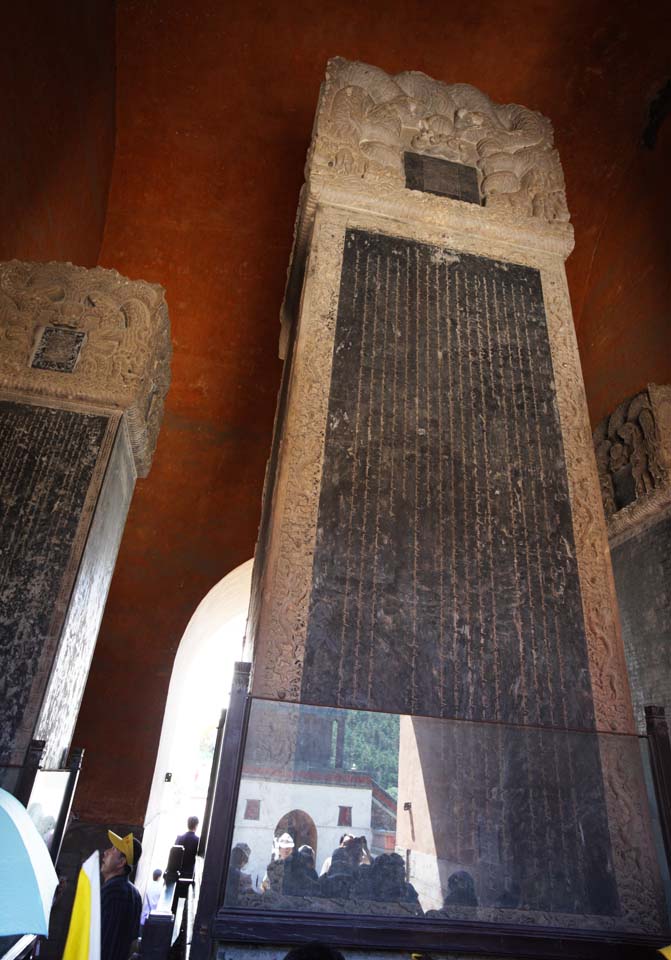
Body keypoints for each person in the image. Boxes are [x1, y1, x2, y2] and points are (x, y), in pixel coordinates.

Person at [101, 830, 142, 960]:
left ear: (121, 862)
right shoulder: (135, 894)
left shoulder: (113, 892)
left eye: (113, 850)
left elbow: (104, 941)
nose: (106, 852)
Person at [175, 815, 200, 880]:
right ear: (196, 826)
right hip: (190, 874)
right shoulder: (198, 840)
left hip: (177, 873)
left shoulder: (179, 838)